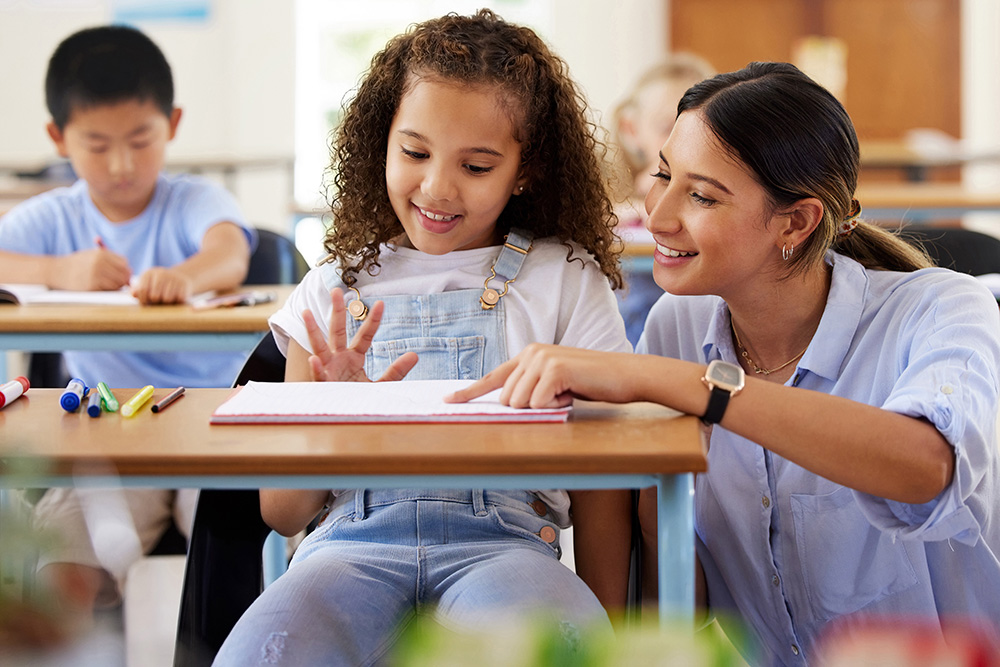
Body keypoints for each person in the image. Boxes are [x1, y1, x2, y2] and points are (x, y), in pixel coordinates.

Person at [448, 62, 1000, 665]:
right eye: (662, 176)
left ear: (796, 221)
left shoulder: (941, 307)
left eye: (702, 195)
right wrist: (660, 512)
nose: (657, 217)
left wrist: (683, 385)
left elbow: (925, 469)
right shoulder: (676, 328)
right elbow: (682, 607)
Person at [213, 10, 629, 666]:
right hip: (347, 553)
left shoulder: (568, 280)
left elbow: (607, 486)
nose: (437, 186)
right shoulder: (331, 289)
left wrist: (616, 634)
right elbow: (283, 513)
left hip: (506, 550)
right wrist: (331, 419)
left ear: (526, 169)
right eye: (414, 152)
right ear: (381, 141)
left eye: (478, 164)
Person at [0, 25, 255, 615]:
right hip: (107, 432)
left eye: (141, 140)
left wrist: (186, 277)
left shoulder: (192, 199)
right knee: (62, 575)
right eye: (96, 144)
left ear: (174, 124)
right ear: (57, 138)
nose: (121, 163)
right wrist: (59, 271)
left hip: (213, 426)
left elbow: (230, 252)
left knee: (239, 553)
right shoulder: (52, 218)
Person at [611, 54, 714, 347]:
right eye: (667, 127)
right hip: (629, 333)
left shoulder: (717, 191)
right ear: (632, 130)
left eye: (701, 130)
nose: (683, 142)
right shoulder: (614, 188)